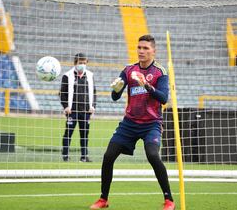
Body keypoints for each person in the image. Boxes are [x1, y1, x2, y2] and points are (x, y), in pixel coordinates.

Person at [90, 35, 175, 210]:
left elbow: (164, 98)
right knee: (108, 156)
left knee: (152, 155)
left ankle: (169, 200)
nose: (142, 51)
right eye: (139, 48)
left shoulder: (160, 72)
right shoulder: (128, 70)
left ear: (153, 51)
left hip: (151, 123)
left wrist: (147, 85)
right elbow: (115, 97)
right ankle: (103, 199)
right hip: (129, 124)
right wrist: (116, 89)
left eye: (145, 48)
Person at [60, 53, 96, 162]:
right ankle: (65, 155)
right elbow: (62, 93)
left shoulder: (90, 75)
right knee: (69, 133)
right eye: (80, 63)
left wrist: (93, 106)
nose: (83, 65)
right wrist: (66, 106)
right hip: (72, 111)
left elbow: (94, 92)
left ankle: (84, 156)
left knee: (84, 134)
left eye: (85, 63)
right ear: (75, 63)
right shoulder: (67, 76)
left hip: (85, 111)